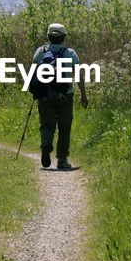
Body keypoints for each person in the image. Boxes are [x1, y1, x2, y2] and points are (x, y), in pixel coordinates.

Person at [32, 23, 88, 170]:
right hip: (65, 96)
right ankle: (62, 160)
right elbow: (79, 75)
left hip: (44, 96)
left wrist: (35, 91)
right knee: (64, 128)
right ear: (63, 37)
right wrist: (83, 94)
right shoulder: (70, 53)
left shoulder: (40, 52)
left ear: (48, 37)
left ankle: (46, 144)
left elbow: (33, 73)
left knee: (46, 124)